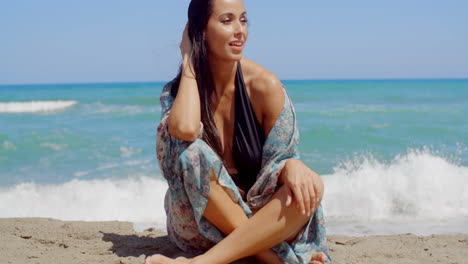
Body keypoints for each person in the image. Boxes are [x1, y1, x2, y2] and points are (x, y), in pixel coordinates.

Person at [148, 0, 331, 263]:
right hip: (203, 226)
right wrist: (188, 61)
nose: (239, 30)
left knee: (309, 186)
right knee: (192, 154)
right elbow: (185, 130)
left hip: (263, 219)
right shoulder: (178, 93)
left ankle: (206, 261)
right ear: (198, 29)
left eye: (243, 20)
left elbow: (280, 165)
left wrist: (291, 165)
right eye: (227, 20)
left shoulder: (264, 86)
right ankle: (274, 259)